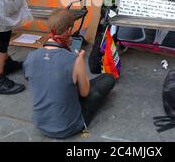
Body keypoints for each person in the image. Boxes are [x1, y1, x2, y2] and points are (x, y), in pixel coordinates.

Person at [23, 9, 116, 139]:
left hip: (41, 124)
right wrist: (80, 62)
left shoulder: (31, 57)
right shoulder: (74, 60)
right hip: (68, 127)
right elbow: (84, 92)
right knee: (107, 80)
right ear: (68, 31)